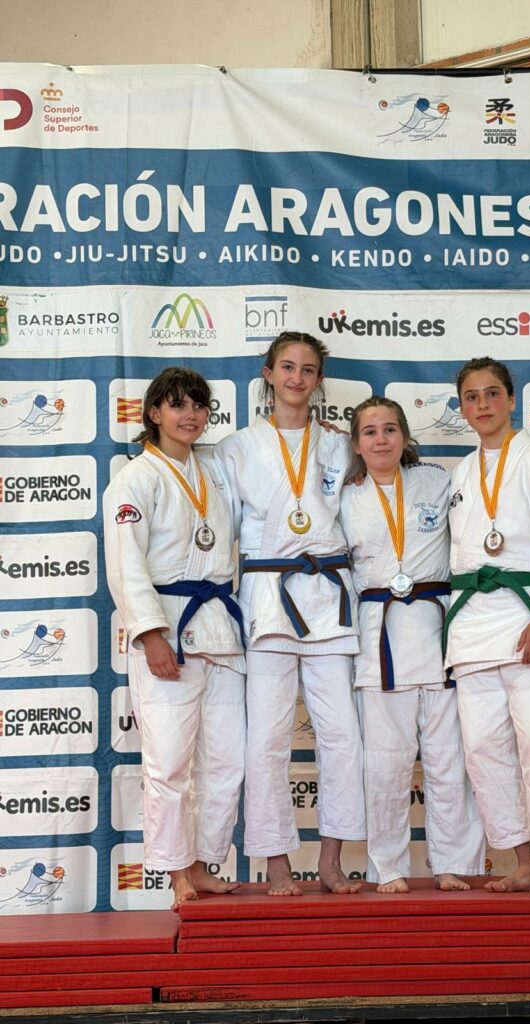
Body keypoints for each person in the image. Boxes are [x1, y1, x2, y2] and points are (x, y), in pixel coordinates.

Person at [215, 331, 365, 896]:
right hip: (267, 599)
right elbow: (221, 530)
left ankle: (331, 859)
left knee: (342, 736)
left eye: (307, 369)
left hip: (328, 597)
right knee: (267, 740)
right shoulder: (236, 448)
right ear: (268, 374)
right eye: (287, 367)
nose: (296, 378)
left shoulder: (341, 446)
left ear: (318, 380)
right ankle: (276, 861)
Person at [443, 357, 530, 900]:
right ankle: (523, 861)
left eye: (491, 394)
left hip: (526, 617)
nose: (482, 404)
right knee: (484, 752)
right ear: (462, 408)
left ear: (510, 399)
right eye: (471, 397)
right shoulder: (461, 473)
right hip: (472, 624)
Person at [103, 367, 246, 911]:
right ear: (155, 413)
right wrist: (151, 633)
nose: (190, 415)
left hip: (220, 631)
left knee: (226, 762)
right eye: (177, 405)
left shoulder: (215, 471)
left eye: (199, 405)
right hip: (169, 630)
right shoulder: (135, 478)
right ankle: (177, 872)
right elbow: (126, 563)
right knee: (169, 764)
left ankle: (204, 862)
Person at [340, 397, 486, 893]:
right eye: (369, 432)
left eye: (389, 429)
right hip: (379, 638)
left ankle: (453, 863)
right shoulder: (345, 498)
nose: (380, 439)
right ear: (356, 444)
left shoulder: (436, 482)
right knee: (386, 762)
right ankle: (389, 866)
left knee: (449, 758)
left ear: (404, 437)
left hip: (436, 630)